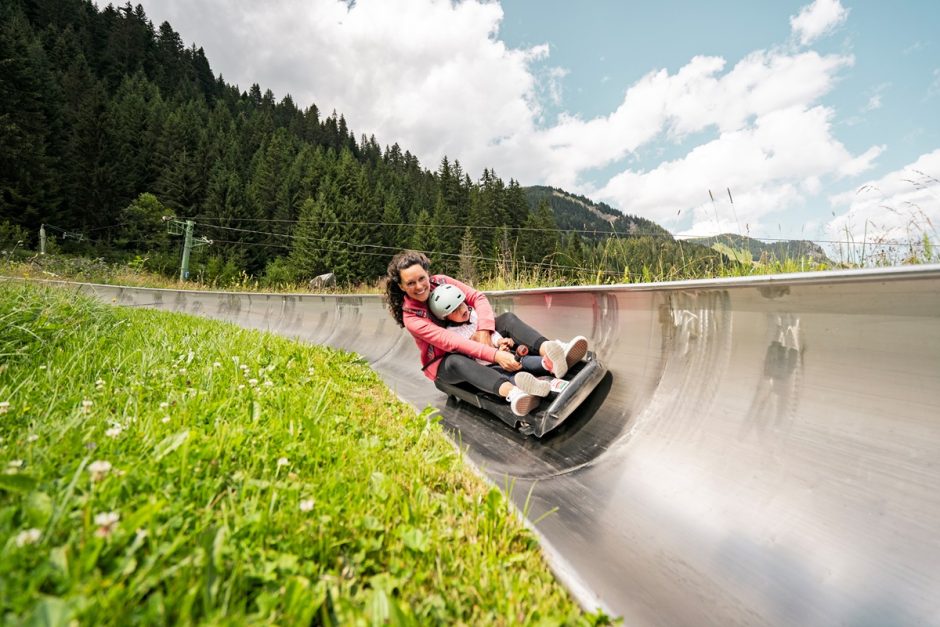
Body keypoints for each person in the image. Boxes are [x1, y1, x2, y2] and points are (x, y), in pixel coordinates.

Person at [383, 250, 588, 417]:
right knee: (455, 360)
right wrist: (496, 355)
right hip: (447, 362)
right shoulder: (412, 318)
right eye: (411, 283)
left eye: (422, 278)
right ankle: (514, 392)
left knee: (507, 319)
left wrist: (484, 330)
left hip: (475, 337)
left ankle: (553, 351)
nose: (419, 286)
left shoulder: (442, 281)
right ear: (401, 286)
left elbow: (477, 298)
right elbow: (451, 342)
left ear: (427, 274)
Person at [428, 283, 567, 393]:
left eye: (462, 304)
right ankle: (530, 385)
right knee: (504, 375)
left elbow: (490, 333)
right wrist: (494, 353)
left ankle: (549, 363)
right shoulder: (452, 333)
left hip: (501, 353)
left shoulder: (473, 314)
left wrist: (500, 342)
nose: (462, 310)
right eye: (455, 310)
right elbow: (467, 353)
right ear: (446, 317)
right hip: (486, 365)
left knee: (522, 360)